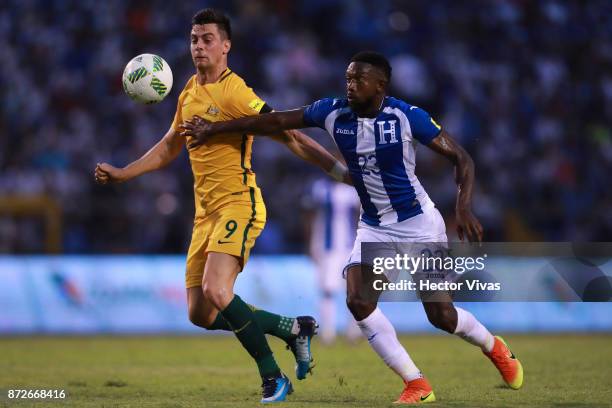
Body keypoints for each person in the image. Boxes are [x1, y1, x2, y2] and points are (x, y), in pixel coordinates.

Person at [180, 51, 524, 404]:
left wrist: (463, 206)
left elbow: (461, 157)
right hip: (374, 227)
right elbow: (273, 122)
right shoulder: (331, 112)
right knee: (358, 301)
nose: (351, 85)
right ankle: (416, 383)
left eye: (359, 79)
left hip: (420, 225)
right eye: (348, 77)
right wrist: (215, 128)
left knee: (441, 315)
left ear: (381, 86)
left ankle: (494, 347)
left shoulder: (406, 117)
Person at [94, 9, 349, 403]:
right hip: (205, 215)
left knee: (217, 289)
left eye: (207, 39)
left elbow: (289, 135)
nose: (198, 46)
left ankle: (273, 377)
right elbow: (168, 147)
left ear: (226, 46)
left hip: (239, 204)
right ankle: (292, 328)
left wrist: (337, 170)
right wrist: (125, 173)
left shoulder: (235, 92)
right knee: (201, 314)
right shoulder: (188, 94)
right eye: (194, 39)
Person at [304, 176, 361, 344]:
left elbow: (362, 217)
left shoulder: (353, 190)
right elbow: (308, 216)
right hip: (325, 247)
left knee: (353, 290)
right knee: (327, 290)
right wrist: (310, 242)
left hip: (350, 246)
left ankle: (354, 332)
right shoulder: (319, 187)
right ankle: (328, 333)